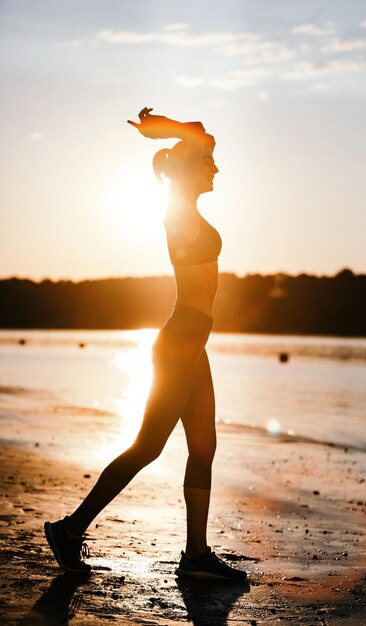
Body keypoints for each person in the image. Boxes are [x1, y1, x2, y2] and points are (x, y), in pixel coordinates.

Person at [44, 107, 247, 582]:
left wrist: (174, 135)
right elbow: (200, 135)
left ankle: (195, 554)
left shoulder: (189, 210)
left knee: (203, 447)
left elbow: (203, 139)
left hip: (194, 345)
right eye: (207, 163)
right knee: (149, 446)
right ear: (186, 169)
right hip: (180, 341)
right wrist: (169, 130)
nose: (216, 167)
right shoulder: (178, 209)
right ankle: (70, 529)